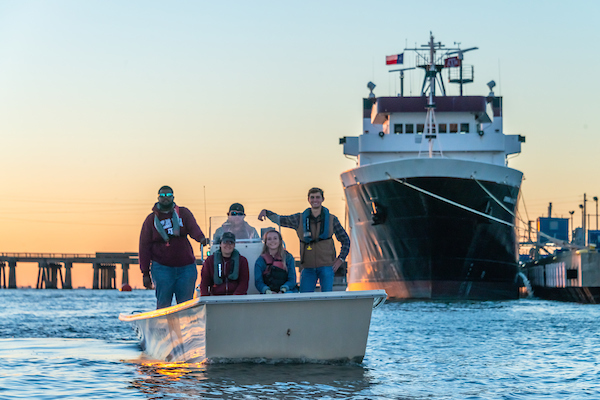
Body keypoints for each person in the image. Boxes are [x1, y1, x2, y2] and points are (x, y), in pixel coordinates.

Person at [258, 187, 350, 293]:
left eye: (317, 197)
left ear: (322, 199)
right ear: (308, 200)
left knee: (327, 297)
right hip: (307, 267)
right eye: (312, 197)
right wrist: (267, 213)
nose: (315, 200)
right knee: (304, 297)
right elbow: (281, 220)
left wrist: (340, 259)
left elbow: (345, 240)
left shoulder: (332, 219)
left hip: (327, 267)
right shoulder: (299, 219)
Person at [139, 185, 209, 309]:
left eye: (168, 195)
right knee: (163, 304)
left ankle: (186, 322)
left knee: (186, 305)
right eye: (162, 195)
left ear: (173, 197)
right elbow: (144, 247)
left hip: (186, 267)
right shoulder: (151, 220)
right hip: (162, 268)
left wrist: (201, 238)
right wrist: (145, 273)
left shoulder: (183, 213)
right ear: (158, 198)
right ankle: (163, 322)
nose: (165, 198)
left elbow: (194, 228)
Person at [255, 229, 297, 294]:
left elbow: (292, 279)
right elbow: (258, 282)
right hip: (268, 293)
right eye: (269, 239)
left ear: (280, 241)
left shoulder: (288, 257)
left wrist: (284, 289)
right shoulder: (260, 260)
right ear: (266, 242)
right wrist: (267, 291)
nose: (272, 241)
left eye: (275, 238)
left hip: (286, 292)